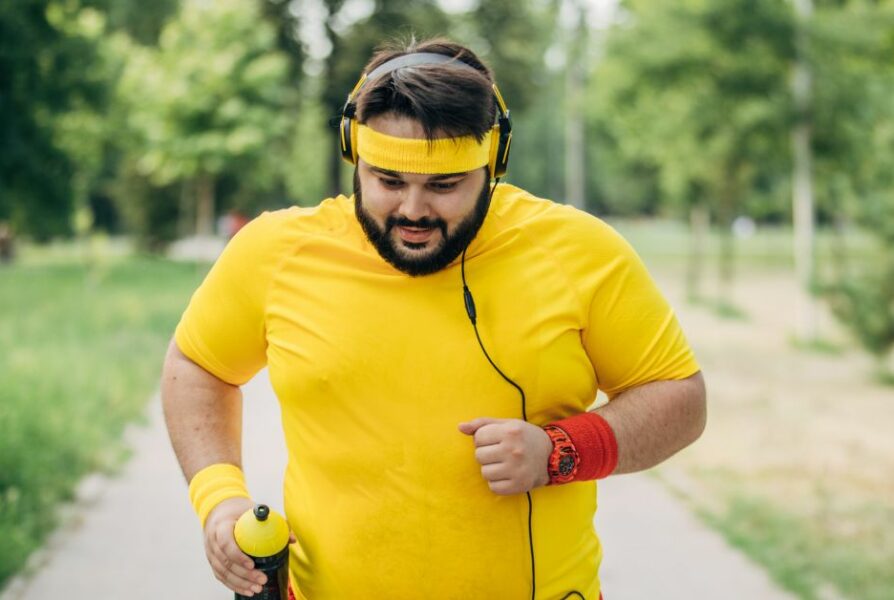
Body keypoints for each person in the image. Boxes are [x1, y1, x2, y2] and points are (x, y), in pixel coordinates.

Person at [161, 37, 706, 600]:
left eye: (444, 185)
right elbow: (197, 365)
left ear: (492, 163)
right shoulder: (276, 252)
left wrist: (558, 452)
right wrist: (219, 497)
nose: (414, 210)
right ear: (354, 153)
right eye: (389, 181)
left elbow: (680, 399)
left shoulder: (580, 252)